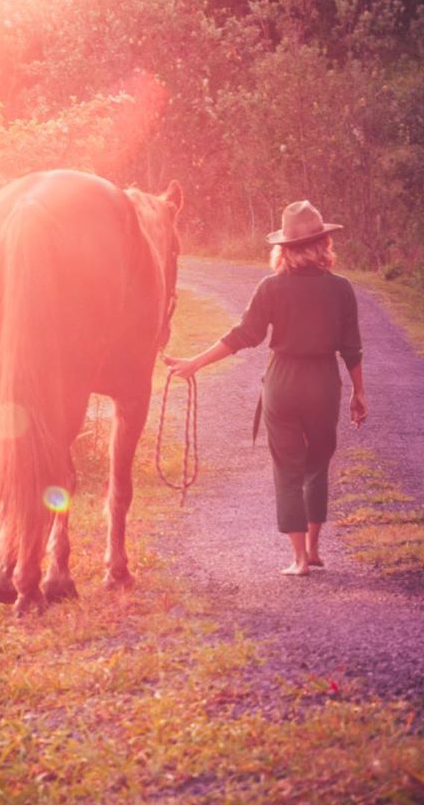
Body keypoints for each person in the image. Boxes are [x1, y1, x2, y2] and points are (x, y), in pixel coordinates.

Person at [164, 201, 367, 576]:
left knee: (287, 469)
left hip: (283, 383)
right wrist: (359, 393)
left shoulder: (271, 287)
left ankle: (298, 560)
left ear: (283, 248)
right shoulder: (341, 289)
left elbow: (244, 336)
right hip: (323, 382)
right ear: (324, 244)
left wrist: (194, 363)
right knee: (317, 466)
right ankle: (314, 547)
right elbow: (351, 347)